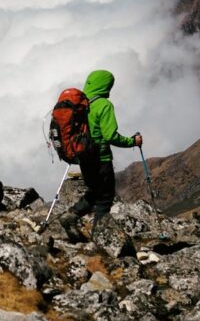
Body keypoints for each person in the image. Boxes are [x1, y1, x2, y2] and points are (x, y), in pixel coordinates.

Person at [59, 69, 142, 242]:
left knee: (94, 191)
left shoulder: (80, 104)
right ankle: (100, 238)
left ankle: (73, 214)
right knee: (105, 198)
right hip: (101, 158)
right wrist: (132, 142)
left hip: (83, 158)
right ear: (106, 86)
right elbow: (111, 136)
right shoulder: (103, 105)